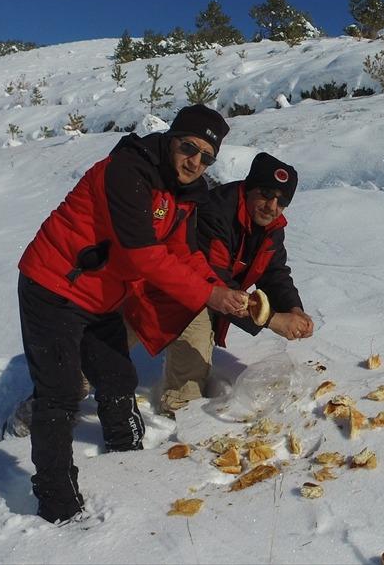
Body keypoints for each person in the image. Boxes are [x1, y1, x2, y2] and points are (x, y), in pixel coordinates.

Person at [15, 104, 248, 524]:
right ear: (171, 140)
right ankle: (58, 504)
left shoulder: (184, 193)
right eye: (188, 148)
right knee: (60, 393)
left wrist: (220, 289)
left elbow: (182, 252)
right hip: (53, 285)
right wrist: (208, 296)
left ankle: (128, 460)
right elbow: (143, 255)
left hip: (102, 295)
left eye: (206, 157)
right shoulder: (127, 171)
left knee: (118, 377)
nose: (194, 162)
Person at [125, 152, 314, 414]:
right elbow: (216, 282)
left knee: (196, 334)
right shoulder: (216, 211)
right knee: (106, 345)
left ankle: (181, 409)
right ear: (249, 187)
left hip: (197, 294)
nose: (272, 206)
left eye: (282, 201)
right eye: (266, 194)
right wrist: (273, 319)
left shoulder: (272, 227)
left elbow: (274, 273)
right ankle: (68, 389)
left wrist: (294, 308)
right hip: (151, 287)